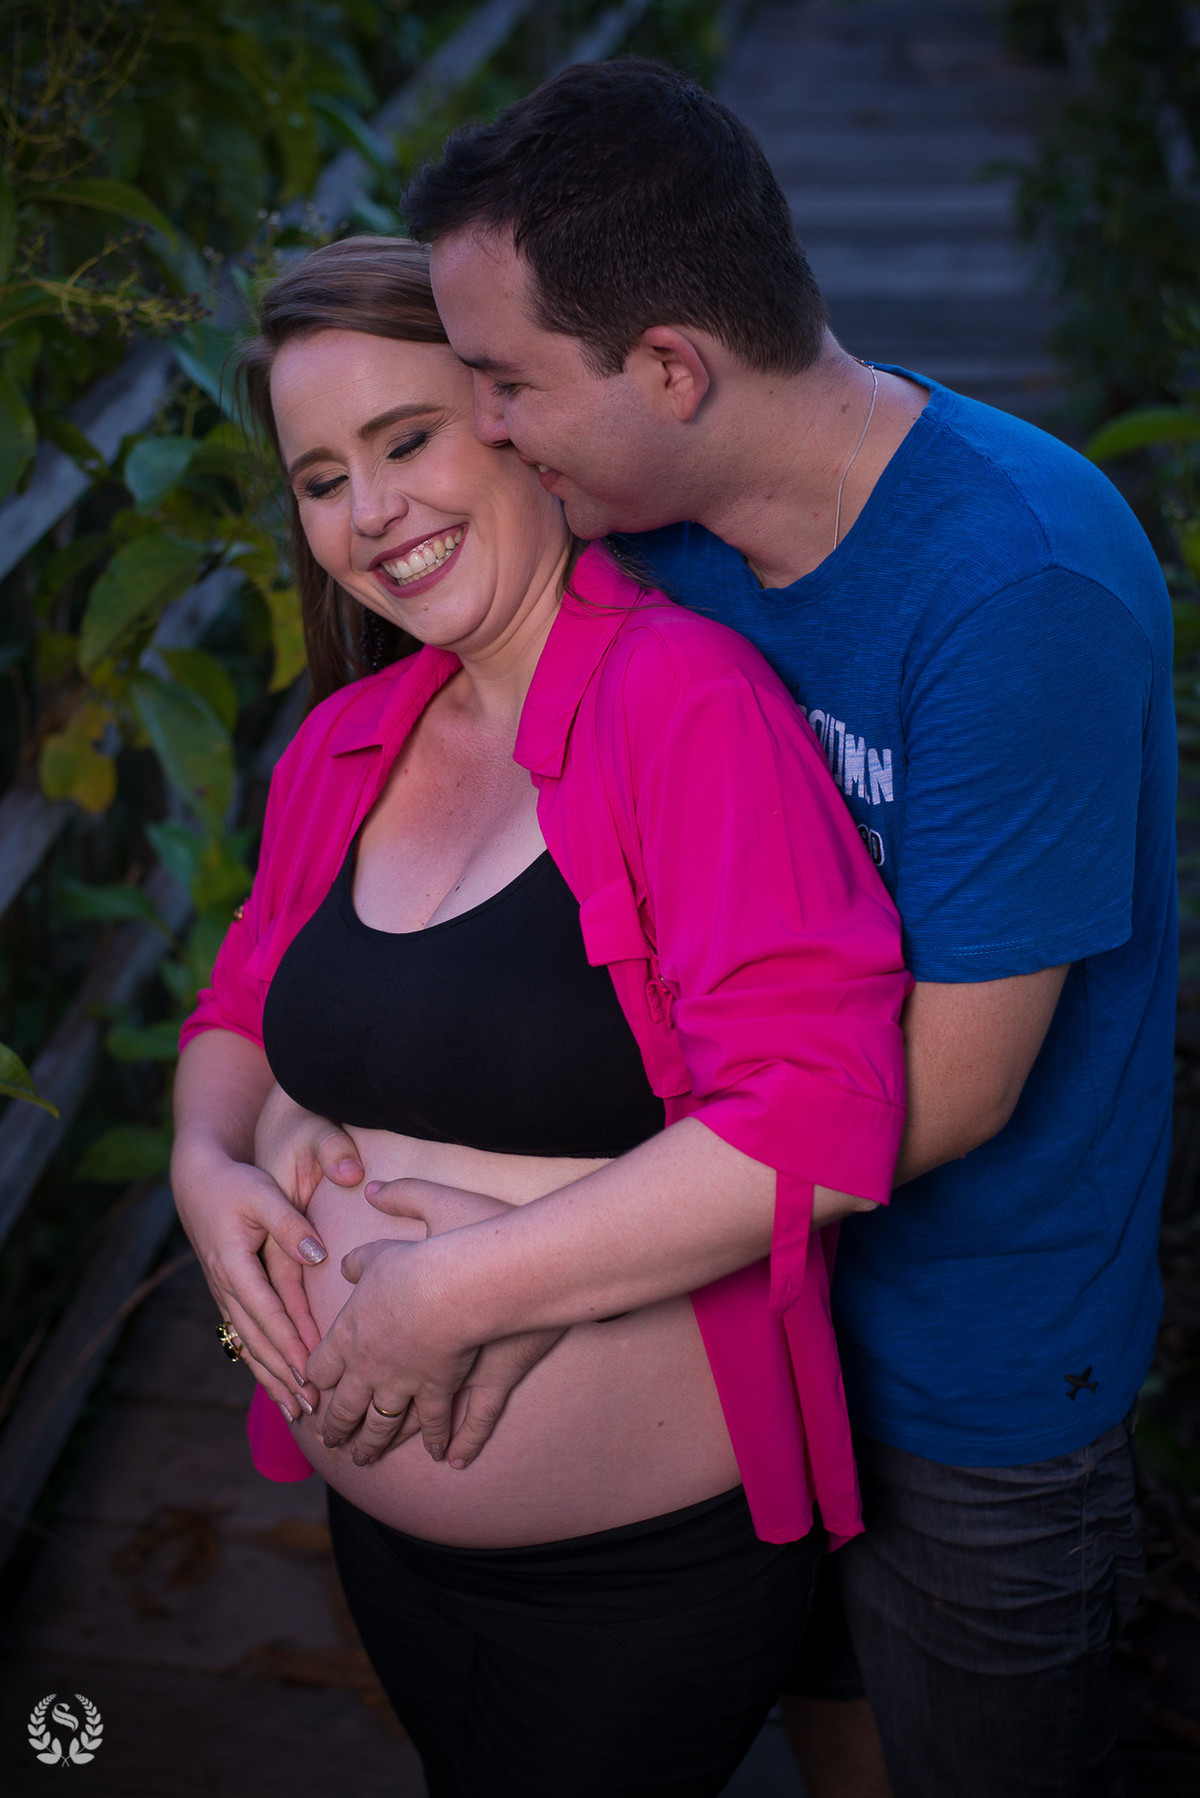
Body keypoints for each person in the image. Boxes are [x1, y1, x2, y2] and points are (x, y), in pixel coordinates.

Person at [396, 55, 1177, 1798]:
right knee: (829, 1739)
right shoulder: (649, 535)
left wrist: (489, 1274)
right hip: (733, 1307)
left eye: (508, 382)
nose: (492, 429)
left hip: (964, 1363)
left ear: (670, 366)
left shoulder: (1016, 581)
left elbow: (950, 1092)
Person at [169, 235, 910, 1798]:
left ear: (511, 421)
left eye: (406, 438)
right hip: (385, 1536)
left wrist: (461, 1293)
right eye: (319, 476)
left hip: (636, 1573)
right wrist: (206, 1167)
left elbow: (825, 1120)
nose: (368, 513)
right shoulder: (350, 741)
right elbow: (238, 1006)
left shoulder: (682, 704)